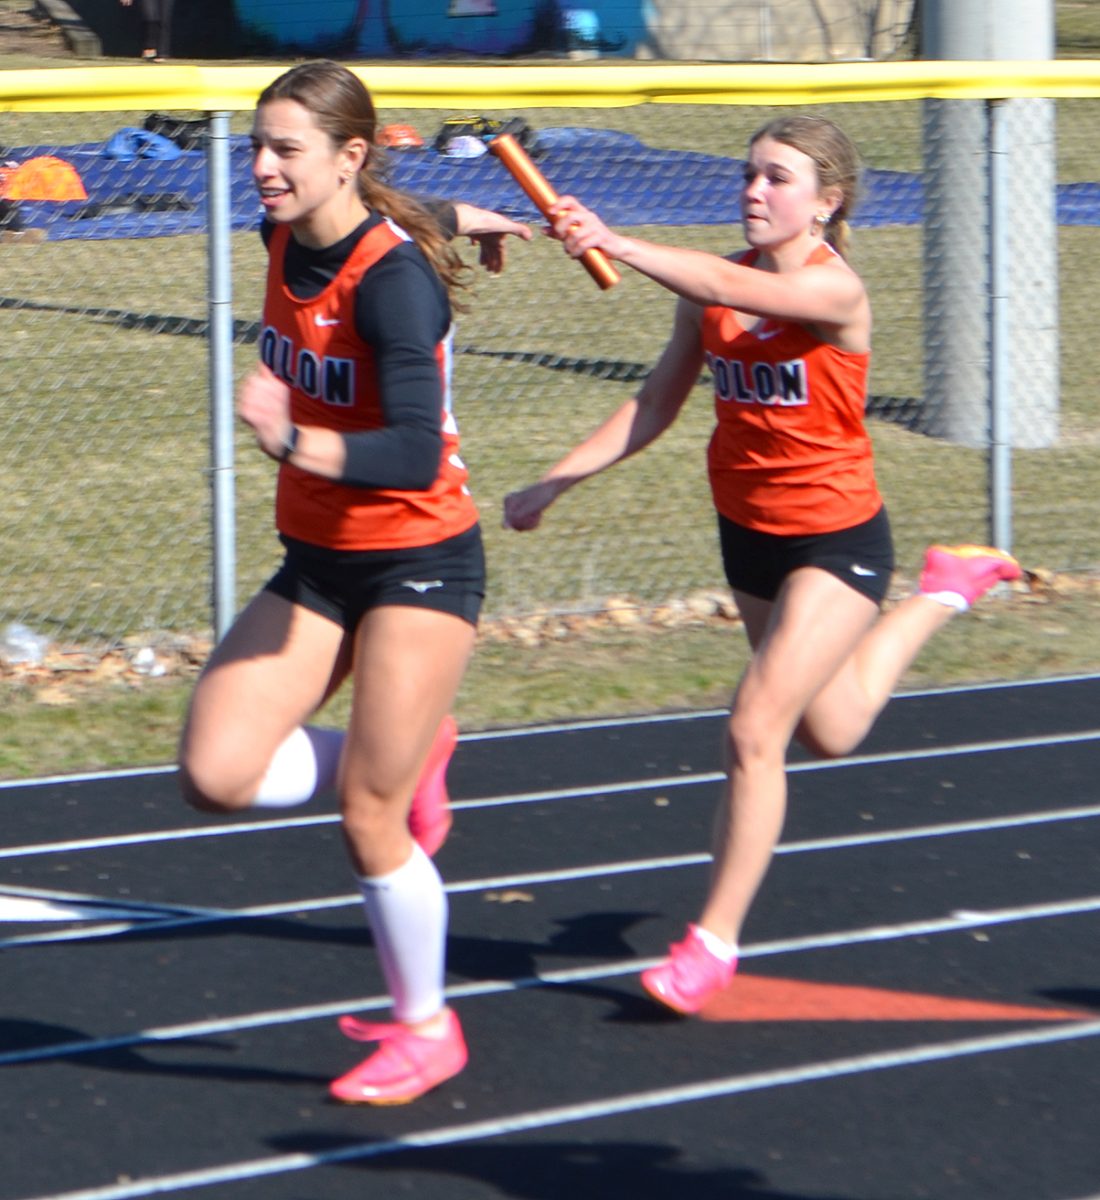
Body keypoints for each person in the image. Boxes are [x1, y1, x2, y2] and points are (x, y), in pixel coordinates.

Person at [503, 114, 1022, 1016]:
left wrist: (614, 239)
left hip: (836, 542)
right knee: (829, 730)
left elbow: (715, 277)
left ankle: (711, 943)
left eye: (777, 178)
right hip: (749, 536)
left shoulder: (836, 293)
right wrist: (557, 480)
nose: (753, 191)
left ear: (826, 203)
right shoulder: (711, 296)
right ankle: (945, 587)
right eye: (749, 174)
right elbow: (658, 400)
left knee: (753, 731)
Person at [177, 60, 531, 1104]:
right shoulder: (285, 234)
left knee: (368, 820)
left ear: (346, 157)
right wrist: (474, 212)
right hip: (322, 560)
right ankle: (408, 754)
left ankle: (426, 1029)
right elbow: (400, 199)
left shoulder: (392, 282)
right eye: (257, 145)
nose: (261, 168)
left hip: (420, 559)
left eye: (284, 149)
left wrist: (292, 441)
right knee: (214, 773)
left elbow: (414, 454)